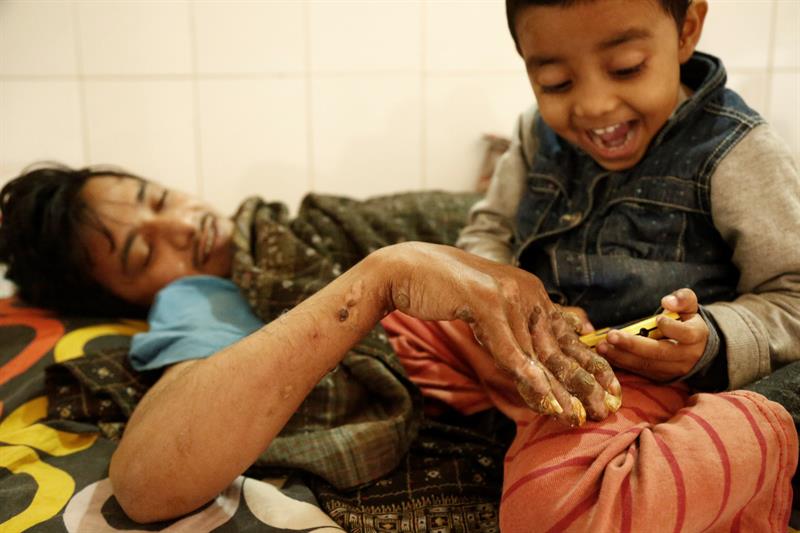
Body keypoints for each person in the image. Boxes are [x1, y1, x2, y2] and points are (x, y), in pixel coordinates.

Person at [1, 160, 796, 531]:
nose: (181, 226)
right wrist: (384, 278)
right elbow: (145, 482)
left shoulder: (297, 217)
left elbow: (474, 229)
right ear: (123, 302)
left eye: (157, 198)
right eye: (142, 252)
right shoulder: (200, 297)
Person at [457, 0, 800, 392]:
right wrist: (514, 304)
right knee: (401, 318)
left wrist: (713, 339)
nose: (594, 105)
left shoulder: (738, 152)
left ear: (687, 30)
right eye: (556, 82)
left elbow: (792, 298)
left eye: (627, 68)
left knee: (592, 448)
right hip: (521, 352)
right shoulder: (535, 134)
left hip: (635, 386)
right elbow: (487, 233)